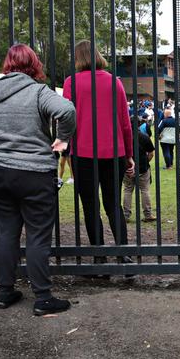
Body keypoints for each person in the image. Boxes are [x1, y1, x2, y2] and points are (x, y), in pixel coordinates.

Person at [0, 44, 76, 315]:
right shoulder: (38, 91)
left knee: (6, 232)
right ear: (33, 65)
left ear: (7, 65)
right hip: (34, 173)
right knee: (38, 235)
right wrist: (62, 140)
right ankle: (42, 297)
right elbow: (67, 111)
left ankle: (5, 292)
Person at [63, 40, 134, 256]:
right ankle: (125, 254)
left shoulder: (71, 83)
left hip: (83, 153)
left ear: (78, 58)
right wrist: (129, 154)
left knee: (90, 206)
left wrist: (64, 149)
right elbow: (125, 122)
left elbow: (66, 120)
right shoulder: (115, 82)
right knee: (113, 204)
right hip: (114, 153)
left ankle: (99, 255)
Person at [123, 117, 156, 223]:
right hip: (143, 167)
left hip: (127, 167)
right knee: (145, 190)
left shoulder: (124, 137)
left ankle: (126, 215)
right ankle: (148, 214)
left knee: (127, 190)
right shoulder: (144, 136)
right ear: (139, 124)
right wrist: (146, 161)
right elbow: (151, 153)